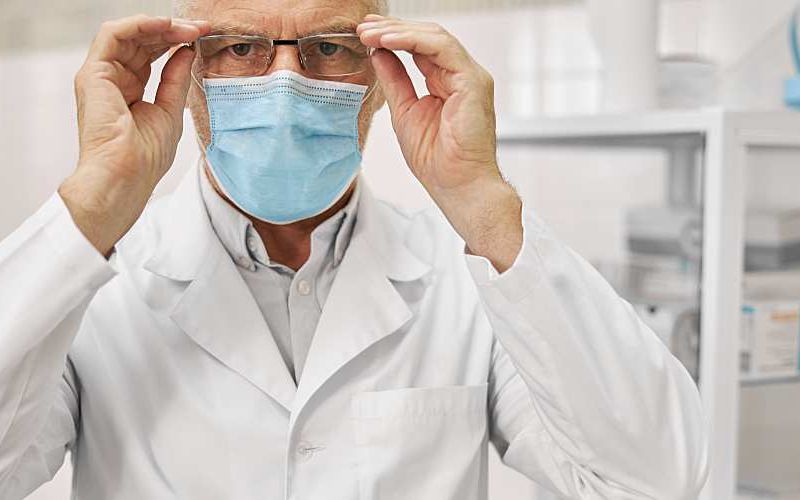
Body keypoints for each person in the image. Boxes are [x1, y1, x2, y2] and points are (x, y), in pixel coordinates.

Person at [0, 0, 708, 498]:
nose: (284, 83)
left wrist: (485, 205)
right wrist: (93, 205)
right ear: (185, 75)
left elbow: (653, 477)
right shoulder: (92, 279)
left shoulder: (467, 278)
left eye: (329, 49)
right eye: (240, 47)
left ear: (379, 76)